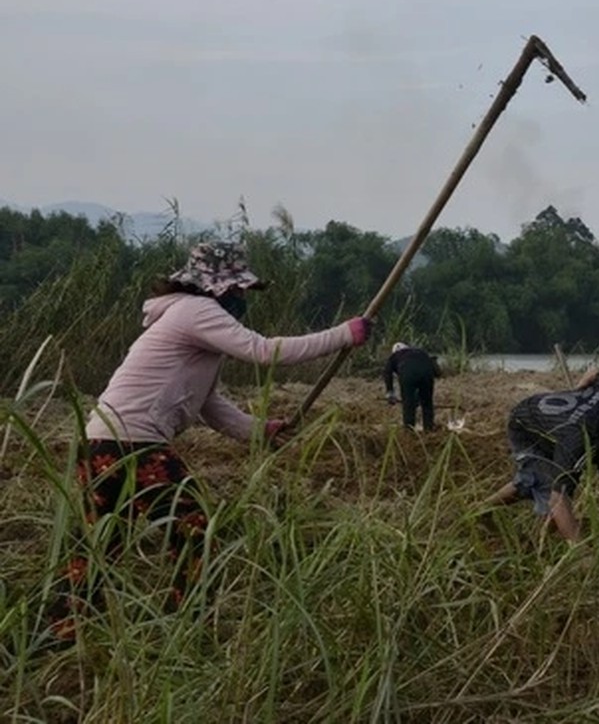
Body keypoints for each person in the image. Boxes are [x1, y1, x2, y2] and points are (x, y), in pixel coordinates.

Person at [49, 241, 374, 641]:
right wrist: (342, 335)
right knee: (197, 530)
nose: (240, 297)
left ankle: (56, 634)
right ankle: (184, 628)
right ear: (214, 287)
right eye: (236, 290)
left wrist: (260, 431)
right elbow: (263, 351)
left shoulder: (190, 325)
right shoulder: (195, 311)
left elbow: (209, 405)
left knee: (98, 546)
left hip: (99, 445)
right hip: (132, 444)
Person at [483, 366, 599, 542]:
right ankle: (540, 544)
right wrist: (581, 548)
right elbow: (558, 500)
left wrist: (576, 392)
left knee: (538, 479)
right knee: (546, 484)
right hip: (526, 424)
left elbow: (595, 372)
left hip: (556, 428)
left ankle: (485, 511)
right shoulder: (578, 442)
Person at [384, 342, 440, 431]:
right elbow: (437, 372)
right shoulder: (421, 352)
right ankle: (429, 428)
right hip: (427, 373)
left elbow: (387, 373)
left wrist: (390, 392)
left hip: (407, 373)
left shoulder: (394, 356)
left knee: (408, 403)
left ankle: (409, 429)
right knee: (427, 403)